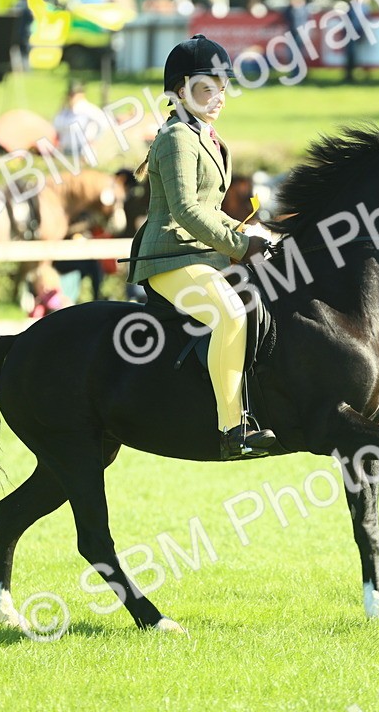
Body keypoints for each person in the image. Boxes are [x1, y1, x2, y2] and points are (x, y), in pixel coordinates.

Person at [126, 34, 275, 460]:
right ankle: (232, 429)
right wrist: (240, 245)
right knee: (230, 312)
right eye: (208, 89)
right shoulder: (177, 137)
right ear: (181, 90)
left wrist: (259, 236)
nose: (219, 97)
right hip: (169, 257)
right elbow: (187, 211)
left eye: (222, 88)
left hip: (201, 254)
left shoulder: (208, 136)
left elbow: (211, 209)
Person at [53, 83, 105, 159]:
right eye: (71, 95)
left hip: (83, 150)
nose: (72, 98)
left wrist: (95, 139)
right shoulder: (64, 112)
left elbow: (103, 123)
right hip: (66, 150)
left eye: (74, 95)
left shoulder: (88, 109)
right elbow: (57, 129)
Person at [282, 0, 310, 81]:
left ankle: (301, 74)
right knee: (292, 55)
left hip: (302, 35)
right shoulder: (289, 9)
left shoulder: (306, 9)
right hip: (292, 34)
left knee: (301, 55)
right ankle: (295, 74)